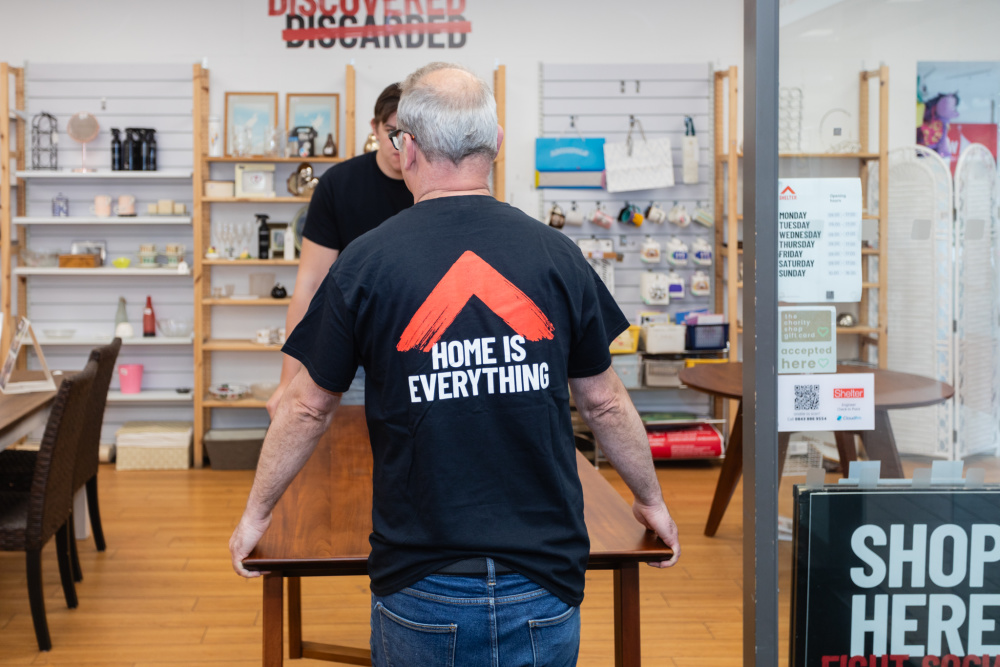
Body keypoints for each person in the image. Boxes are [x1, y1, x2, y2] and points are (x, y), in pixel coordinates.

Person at [230, 62, 680, 667]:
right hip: (544, 582)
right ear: (495, 144)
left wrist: (257, 514)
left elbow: (308, 406)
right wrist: (650, 500)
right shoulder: (558, 255)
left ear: (407, 147)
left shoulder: (366, 263)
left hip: (421, 583)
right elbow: (603, 400)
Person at [267, 82, 414, 416]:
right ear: (374, 128)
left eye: (407, 133)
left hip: (418, 349)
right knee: (345, 457)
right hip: (351, 354)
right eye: (390, 131)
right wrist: (287, 381)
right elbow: (309, 284)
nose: (397, 144)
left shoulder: (433, 182)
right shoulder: (339, 184)